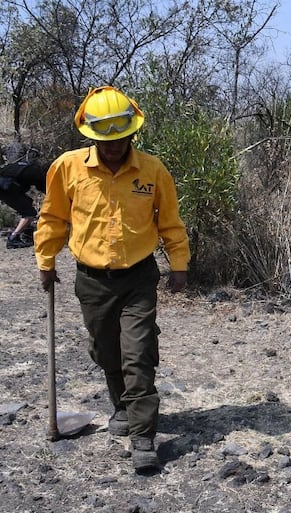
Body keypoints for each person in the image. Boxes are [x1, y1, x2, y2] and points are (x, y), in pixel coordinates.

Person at [34, 86, 190, 472]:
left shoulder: (153, 170)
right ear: (90, 135)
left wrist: (179, 263)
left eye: (122, 138)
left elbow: (169, 221)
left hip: (138, 277)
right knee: (106, 351)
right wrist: (46, 259)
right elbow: (54, 217)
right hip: (91, 280)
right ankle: (121, 404)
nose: (115, 147)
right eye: (107, 140)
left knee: (138, 354)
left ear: (132, 133)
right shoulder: (67, 168)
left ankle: (143, 436)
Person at [0, 152, 47, 249]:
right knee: (29, 213)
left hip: (5, 184)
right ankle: (13, 238)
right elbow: (47, 191)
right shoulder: (38, 173)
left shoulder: (26, 166)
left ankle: (27, 234)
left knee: (27, 202)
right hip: (5, 186)